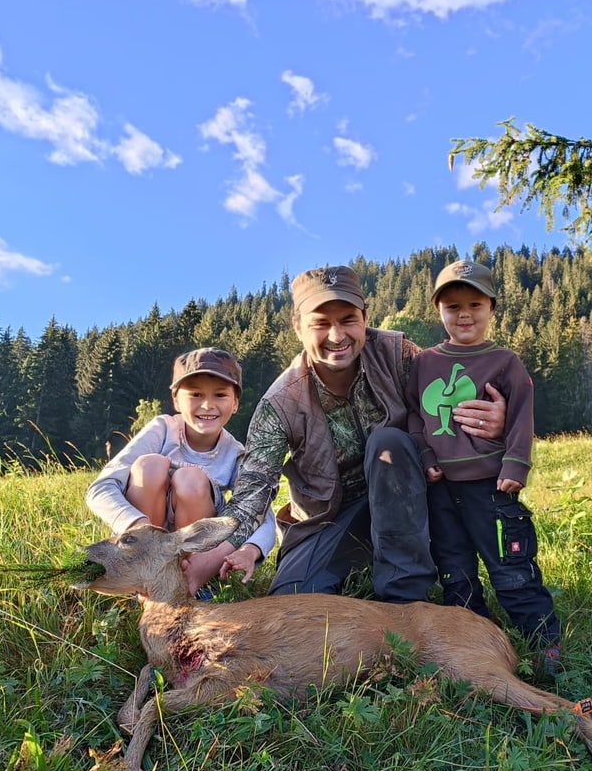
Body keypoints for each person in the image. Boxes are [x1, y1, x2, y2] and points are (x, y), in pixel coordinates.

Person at [183, 266, 505, 600]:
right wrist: (199, 566)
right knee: (292, 601)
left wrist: (495, 422)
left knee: (389, 444)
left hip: (410, 499)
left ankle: (404, 598)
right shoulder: (280, 403)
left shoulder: (398, 354)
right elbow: (251, 500)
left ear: (365, 318)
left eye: (348, 319)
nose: (337, 336)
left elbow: (454, 399)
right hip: (329, 520)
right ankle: (360, 564)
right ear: (298, 327)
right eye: (321, 323)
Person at [405, 259, 561, 660]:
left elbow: (522, 414)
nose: (465, 315)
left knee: (511, 566)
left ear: (492, 308)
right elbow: (415, 417)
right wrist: (425, 456)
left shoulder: (504, 361)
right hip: (440, 489)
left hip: (491, 487)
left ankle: (545, 643)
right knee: (454, 568)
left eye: (475, 304)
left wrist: (516, 465)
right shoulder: (424, 364)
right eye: (453, 306)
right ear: (438, 310)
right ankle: (471, 642)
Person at [86, 347, 275, 578]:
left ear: (235, 403)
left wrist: (250, 549)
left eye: (220, 395)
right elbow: (100, 489)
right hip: (145, 541)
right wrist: (136, 524)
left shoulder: (235, 454)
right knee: (149, 466)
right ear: (176, 400)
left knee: (191, 479)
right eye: (195, 394)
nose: (207, 405)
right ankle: (144, 570)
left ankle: (187, 575)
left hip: (195, 550)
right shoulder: (162, 430)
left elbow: (262, 514)